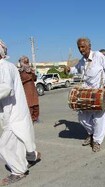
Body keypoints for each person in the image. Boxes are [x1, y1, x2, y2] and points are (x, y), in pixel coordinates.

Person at [0, 39, 41, 185]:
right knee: (21, 138)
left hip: (12, 112)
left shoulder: (4, 67)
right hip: (12, 110)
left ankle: (18, 171)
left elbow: (6, 88)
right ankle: (32, 156)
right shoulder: (7, 66)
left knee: (5, 144)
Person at [65, 37, 105, 152]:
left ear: (89, 46)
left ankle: (97, 141)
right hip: (87, 94)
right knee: (82, 118)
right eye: (79, 47)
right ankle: (91, 134)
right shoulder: (82, 61)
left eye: (83, 47)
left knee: (99, 119)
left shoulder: (98, 56)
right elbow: (76, 69)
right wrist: (68, 70)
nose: (81, 49)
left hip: (99, 93)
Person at [18, 56, 40, 123]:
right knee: (29, 105)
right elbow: (19, 81)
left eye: (27, 62)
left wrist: (33, 73)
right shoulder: (20, 72)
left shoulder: (30, 70)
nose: (27, 63)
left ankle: (35, 118)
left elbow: (35, 79)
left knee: (35, 105)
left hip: (33, 90)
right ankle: (30, 119)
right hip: (26, 91)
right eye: (25, 62)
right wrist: (28, 79)